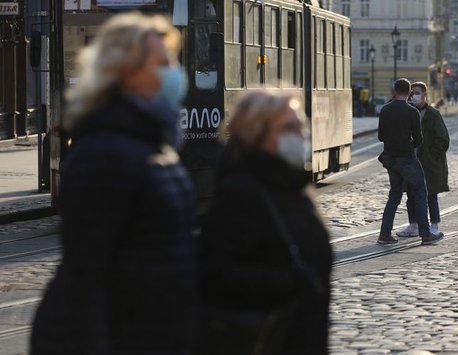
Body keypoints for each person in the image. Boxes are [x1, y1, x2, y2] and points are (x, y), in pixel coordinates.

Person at [30, 13, 197, 354]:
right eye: (163, 63)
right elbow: (87, 276)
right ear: (126, 71)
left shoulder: (152, 141)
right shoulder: (106, 152)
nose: (174, 72)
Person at [198, 91, 332, 354]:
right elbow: (214, 275)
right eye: (289, 127)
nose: (301, 133)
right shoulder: (240, 192)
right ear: (256, 133)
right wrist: (287, 283)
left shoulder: (293, 186)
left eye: (300, 125)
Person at [377, 78, 444, 246]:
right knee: (421, 192)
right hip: (407, 158)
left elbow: (380, 136)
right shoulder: (411, 112)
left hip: (390, 159)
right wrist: (409, 145)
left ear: (394, 91)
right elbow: (419, 139)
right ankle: (425, 234)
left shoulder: (385, 110)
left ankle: (384, 234)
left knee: (394, 196)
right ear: (408, 93)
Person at [397, 82, 450, 238]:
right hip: (411, 161)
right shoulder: (408, 112)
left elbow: (443, 139)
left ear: (425, 94)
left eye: (417, 92)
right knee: (411, 195)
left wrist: (432, 157)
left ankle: (434, 225)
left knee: (431, 195)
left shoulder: (433, 114)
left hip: (429, 163)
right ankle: (413, 225)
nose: (414, 95)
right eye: (412, 93)